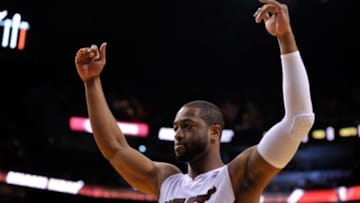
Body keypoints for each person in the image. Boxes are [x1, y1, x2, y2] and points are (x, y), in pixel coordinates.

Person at [74, 0, 315, 202]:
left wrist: (285, 37)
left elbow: (299, 120)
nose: (177, 133)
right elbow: (115, 148)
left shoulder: (237, 177)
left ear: (214, 132)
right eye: (176, 127)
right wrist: (91, 82)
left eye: (187, 126)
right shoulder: (166, 180)